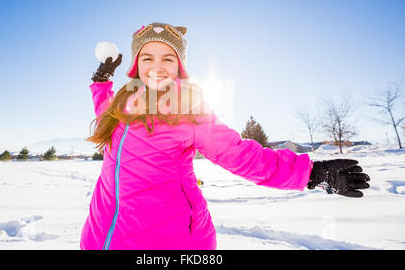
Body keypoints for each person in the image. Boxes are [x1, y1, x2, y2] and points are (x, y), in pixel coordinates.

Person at [80, 22, 370, 250]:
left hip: (170, 240)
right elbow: (102, 107)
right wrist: (101, 79)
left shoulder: (189, 109)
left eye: (168, 59)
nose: (157, 67)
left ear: (179, 66)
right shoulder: (122, 104)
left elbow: (239, 154)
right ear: (136, 65)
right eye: (148, 58)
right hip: (99, 236)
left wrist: (311, 172)